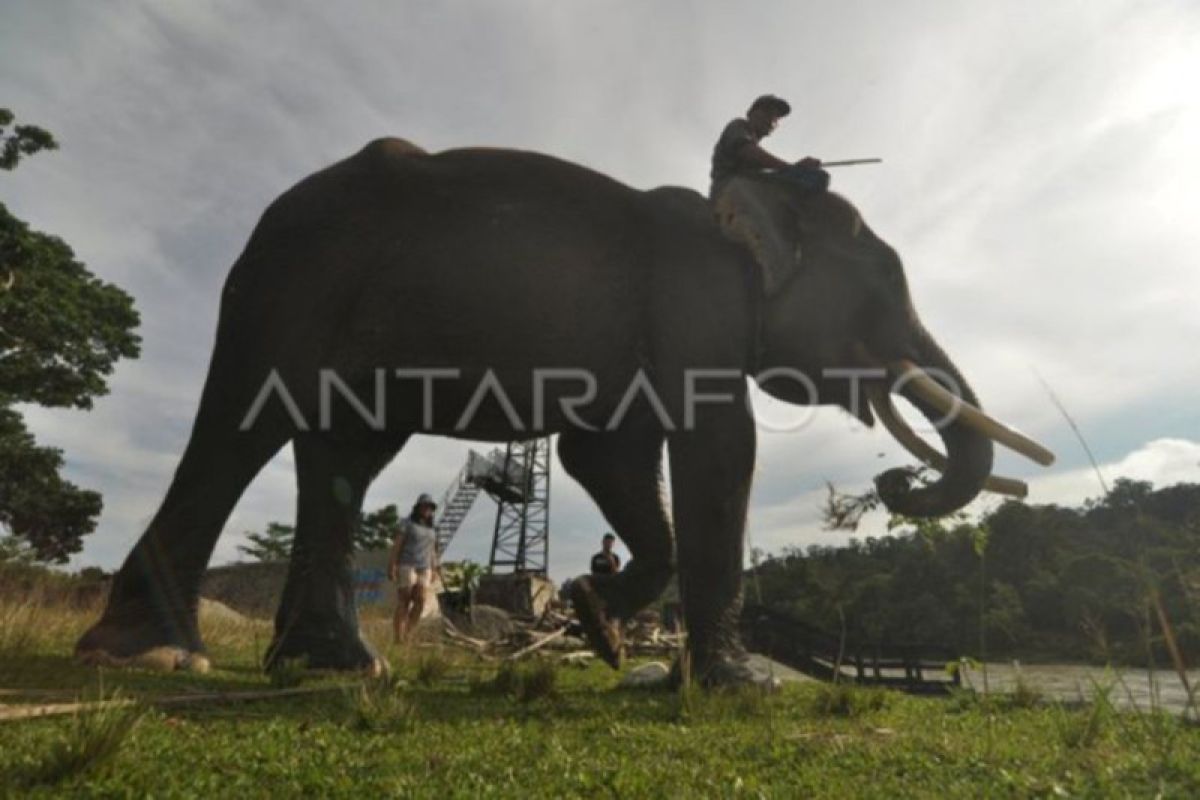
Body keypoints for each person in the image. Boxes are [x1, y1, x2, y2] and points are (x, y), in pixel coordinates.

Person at [708, 94, 825, 199]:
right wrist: (793, 169)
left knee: (814, 177)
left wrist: (797, 168)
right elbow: (747, 151)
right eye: (768, 112)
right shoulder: (739, 125)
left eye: (775, 118)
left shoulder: (753, 143)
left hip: (747, 188)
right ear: (751, 113)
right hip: (729, 190)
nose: (771, 120)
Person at [388, 492, 441, 644]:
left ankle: (408, 634)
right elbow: (397, 545)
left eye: (430, 507)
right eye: (424, 506)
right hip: (407, 564)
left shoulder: (433, 529)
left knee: (421, 601)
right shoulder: (407, 524)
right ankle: (398, 637)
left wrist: (435, 569)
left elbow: (432, 551)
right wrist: (392, 565)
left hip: (424, 567)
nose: (427, 509)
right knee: (405, 599)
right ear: (418, 507)